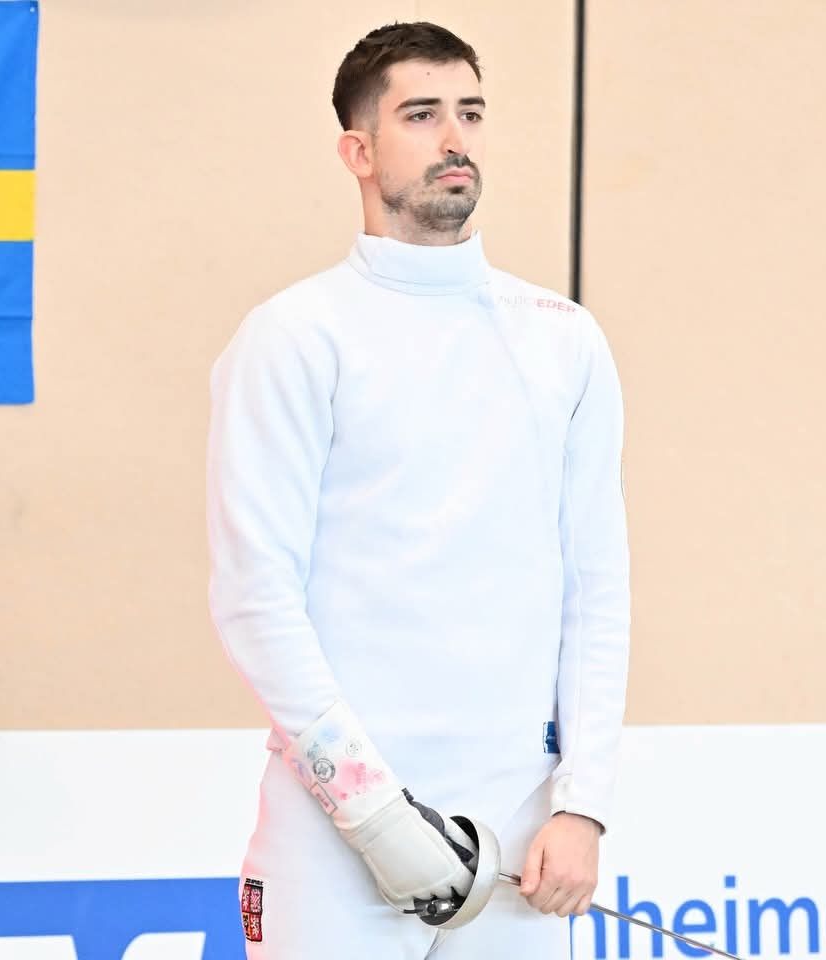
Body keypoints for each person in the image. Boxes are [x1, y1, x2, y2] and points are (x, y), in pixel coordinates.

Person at [204, 20, 631, 960]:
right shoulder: (295, 337)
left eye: (470, 113)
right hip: (332, 838)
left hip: (517, 840)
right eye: (422, 114)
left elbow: (596, 591)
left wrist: (583, 806)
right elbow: (255, 598)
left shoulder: (562, 338)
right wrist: (373, 815)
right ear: (358, 151)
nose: (455, 138)